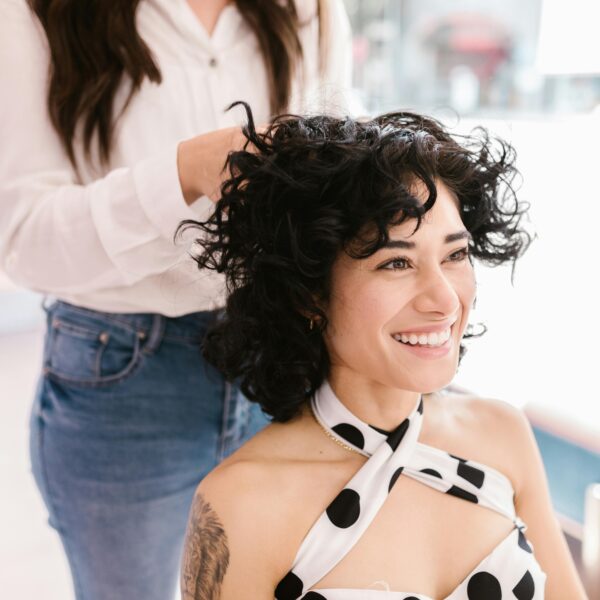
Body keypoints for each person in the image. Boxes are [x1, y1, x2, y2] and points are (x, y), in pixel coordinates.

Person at [0, 1, 353, 599]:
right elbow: (22, 238)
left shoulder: (309, 10)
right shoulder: (33, 12)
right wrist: (185, 173)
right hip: (124, 376)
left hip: (281, 354)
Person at [178, 106, 588, 599]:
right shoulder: (242, 503)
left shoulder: (502, 435)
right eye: (396, 263)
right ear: (310, 294)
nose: (444, 300)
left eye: (455, 255)